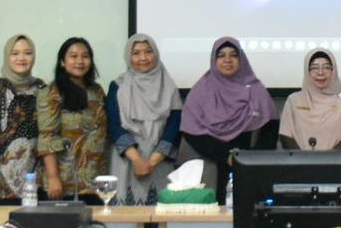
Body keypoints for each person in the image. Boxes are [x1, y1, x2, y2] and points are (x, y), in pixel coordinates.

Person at [181, 37, 276, 204]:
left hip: (250, 168)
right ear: (214, 59)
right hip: (211, 164)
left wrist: (250, 158)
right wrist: (225, 156)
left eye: (233, 55)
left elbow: (271, 128)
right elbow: (191, 130)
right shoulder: (201, 90)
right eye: (221, 55)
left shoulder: (256, 90)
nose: (227, 60)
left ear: (241, 59)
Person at [105, 33, 182, 205]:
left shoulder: (169, 86)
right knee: (127, 221)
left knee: (162, 222)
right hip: (127, 160)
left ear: (156, 54)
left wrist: (151, 162)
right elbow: (115, 125)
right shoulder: (118, 85)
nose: (143, 58)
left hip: (159, 161)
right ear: (128, 56)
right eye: (136, 53)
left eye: (148, 52)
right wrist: (138, 161)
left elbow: (174, 126)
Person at [38, 37, 107, 199]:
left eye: (85, 56)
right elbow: (47, 138)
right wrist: (53, 178)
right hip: (66, 182)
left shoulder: (97, 91)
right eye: (73, 56)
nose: (80, 61)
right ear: (62, 61)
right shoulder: (52, 92)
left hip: (95, 180)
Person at [0, 34, 44, 200]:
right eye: (15, 53)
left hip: (36, 179)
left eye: (27, 53)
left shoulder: (42, 88)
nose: (21, 58)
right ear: (7, 56)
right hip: (1, 181)